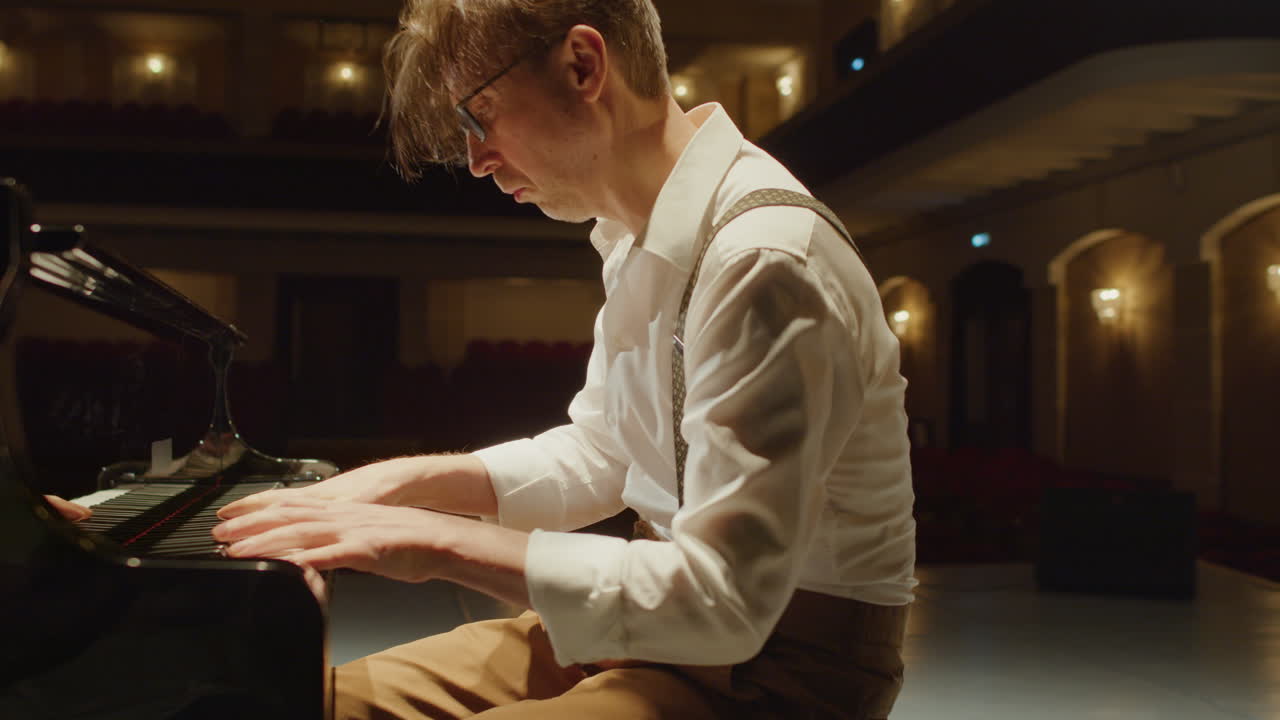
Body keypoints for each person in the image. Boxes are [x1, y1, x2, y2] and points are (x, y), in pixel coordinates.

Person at [209, 1, 916, 717]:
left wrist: (432, 539)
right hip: (660, 627)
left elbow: (725, 603)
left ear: (584, 66)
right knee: (303, 702)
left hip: (782, 669)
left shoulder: (764, 258)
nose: (478, 161)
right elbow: (606, 452)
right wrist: (400, 484)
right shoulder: (637, 233)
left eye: (479, 117)